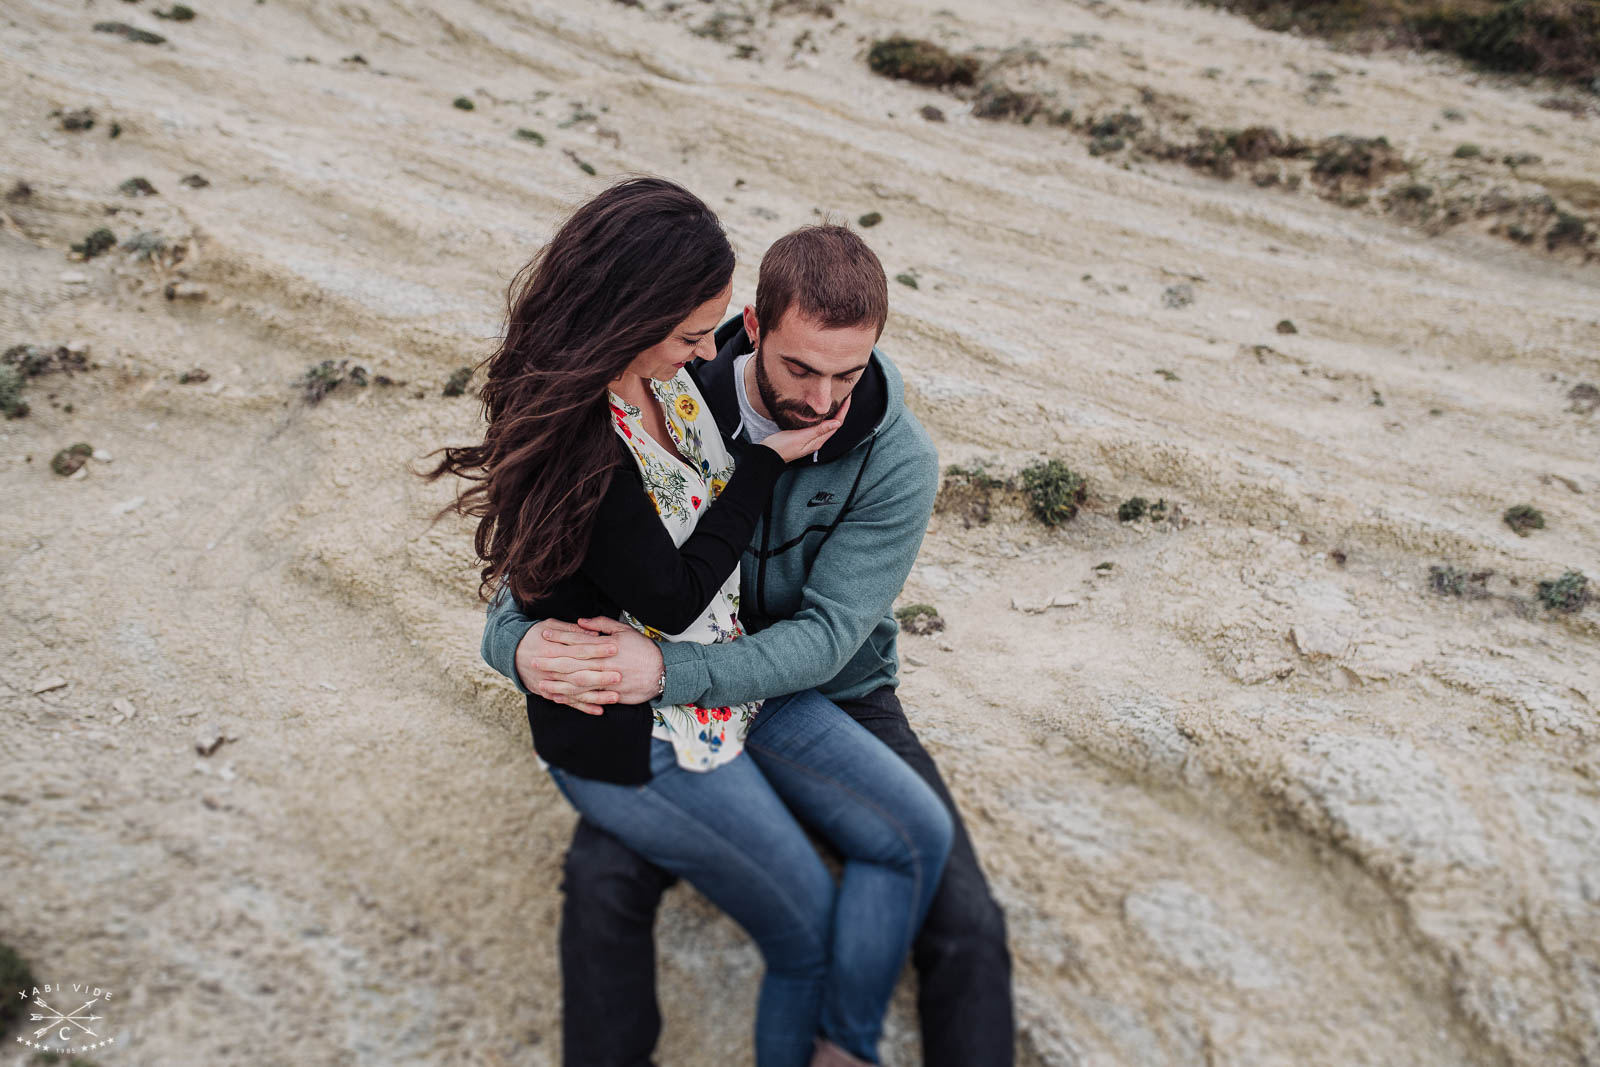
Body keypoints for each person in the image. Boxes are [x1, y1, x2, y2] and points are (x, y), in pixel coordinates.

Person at [432, 177, 953, 1067]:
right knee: (803, 930)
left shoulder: (676, 386)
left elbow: (790, 620)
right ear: (631, 319)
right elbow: (597, 591)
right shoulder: (584, 441)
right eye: (689, 334)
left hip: (725, 680)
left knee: (920, 836)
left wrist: (753, 458)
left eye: (709, 329)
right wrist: (515, 644)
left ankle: (843, 1048)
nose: (704, 350)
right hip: (632, 724)